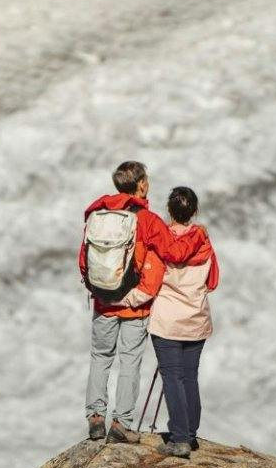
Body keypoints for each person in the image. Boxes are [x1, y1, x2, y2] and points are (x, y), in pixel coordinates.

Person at [80, 160, 212, 444]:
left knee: (100, 357)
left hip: (104, 302)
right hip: (134, 307)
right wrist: (199, 234)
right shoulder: (148, 220)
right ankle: (121, 423)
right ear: (141, 184)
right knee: (129, 362)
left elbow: (84, 260)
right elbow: (175, 253)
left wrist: (102, 291)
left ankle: (95, 417)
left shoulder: (97, 213)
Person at [146, 185, 218, 459]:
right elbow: (212, 281)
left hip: (167, 320)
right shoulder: (205, 242)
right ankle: (190, 433)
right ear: (194, 211)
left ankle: (178, 438)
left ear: (169, 210)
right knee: (189, 377)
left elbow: (151, 279)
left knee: (172, 378)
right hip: (196, 319)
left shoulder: (162, 241)